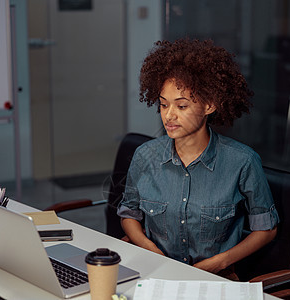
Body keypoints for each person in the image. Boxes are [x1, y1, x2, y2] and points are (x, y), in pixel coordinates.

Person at [117, 39, 279, 276]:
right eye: (163, 105)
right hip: (155, 273)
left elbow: (266, 229)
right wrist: (148, 248)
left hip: (213, 279)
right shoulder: (145, 156)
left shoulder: (242, 162)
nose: (169, 115)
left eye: (181, 106)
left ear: (209, 106)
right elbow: (128, 213)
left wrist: (221, 262)